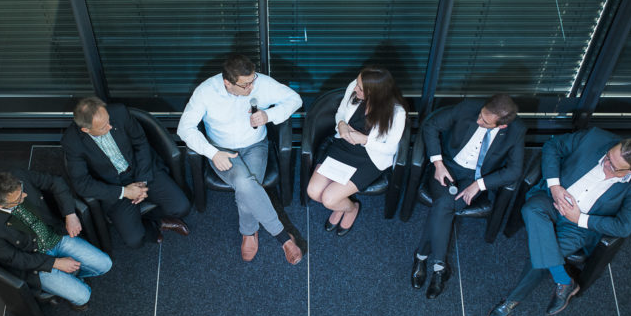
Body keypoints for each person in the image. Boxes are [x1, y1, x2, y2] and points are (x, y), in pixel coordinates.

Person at [487, 128, 631, 316]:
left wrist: (579, 219)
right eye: (608, 157)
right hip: (552, 199)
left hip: (581, 226)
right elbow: (552, 145)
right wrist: (555, 186)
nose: (606, 164)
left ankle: (512, 300)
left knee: (544, 254)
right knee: (531, 210)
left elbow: (625, 226)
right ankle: (563, 280)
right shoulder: (595, 138)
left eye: (613, 167)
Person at [178, 54, 304, 264]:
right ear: (227, 82)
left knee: (245, 186)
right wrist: (212, 153)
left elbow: (295, 100)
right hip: (222, 149)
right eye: (245, 85)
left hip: (255, 145)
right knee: (245, 183)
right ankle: (283, 237)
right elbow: (184, 129)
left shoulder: (260, 83)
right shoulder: (206, 91)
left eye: (252, 80)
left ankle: (249, 232)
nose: (251, 88)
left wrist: (268, 116)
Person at [411, 94, 526, 298]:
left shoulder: (516, 131)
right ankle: (439, 267)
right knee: (444, 203)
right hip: (448, 167)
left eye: (485, 122)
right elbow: (431, 126)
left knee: (442, 205)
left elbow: (514, 171)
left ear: (502, 126)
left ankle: (421, 256)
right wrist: (438, 163)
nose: (478, 121)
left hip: (477, 177)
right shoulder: (468, 108)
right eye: (481, 115)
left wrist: (479, 185)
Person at [62, 97, 191, 248]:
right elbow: (81, 184)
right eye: (103, 127)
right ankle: (156, 223)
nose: (110, 126)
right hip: (114, 186)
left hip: (139, 168)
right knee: (135, 241)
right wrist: (124, 192)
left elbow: (141, 142)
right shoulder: (72, 142)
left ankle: (147, 217)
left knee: (182, 207)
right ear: (86, 129)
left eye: (108, 120)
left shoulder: (119, 112)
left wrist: (142, 181)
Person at [0, 170, 112, 311]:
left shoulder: (17, 177)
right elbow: (16, 259)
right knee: (83, 296)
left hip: (55, 236)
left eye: (21, 190)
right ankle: (71, 282)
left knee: (105, 265)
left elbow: (56, 181)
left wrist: (70, 214)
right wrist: (55, 263)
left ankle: (71, 278)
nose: (25, 195)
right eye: (18, 198)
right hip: (34, 261)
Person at [306, 66, 407, 236]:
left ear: (375, 93)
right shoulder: (355, 86)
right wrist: (342, 125)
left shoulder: (397, 113)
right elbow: (340, 113)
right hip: (343, 147)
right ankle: (342, 204)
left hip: (369, 158)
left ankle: (351, 209)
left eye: (360, 88)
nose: (354, 88)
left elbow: (391, 149)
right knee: (313, 192)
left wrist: (365, 140)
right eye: (357, 84)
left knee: (329, 199)